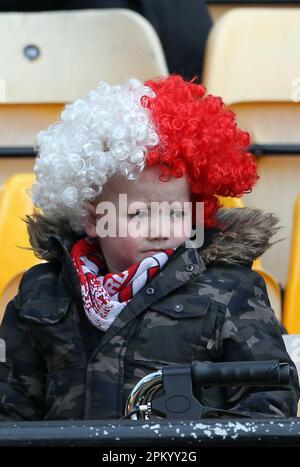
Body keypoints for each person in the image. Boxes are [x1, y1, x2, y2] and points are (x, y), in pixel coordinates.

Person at [0, 75, 298, 421]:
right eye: (138, 213)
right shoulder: (41, 294)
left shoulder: (231, 291)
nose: (160, 229)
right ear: (93, 219)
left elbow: (268, 400)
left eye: (175, 212)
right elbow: (9, 405)